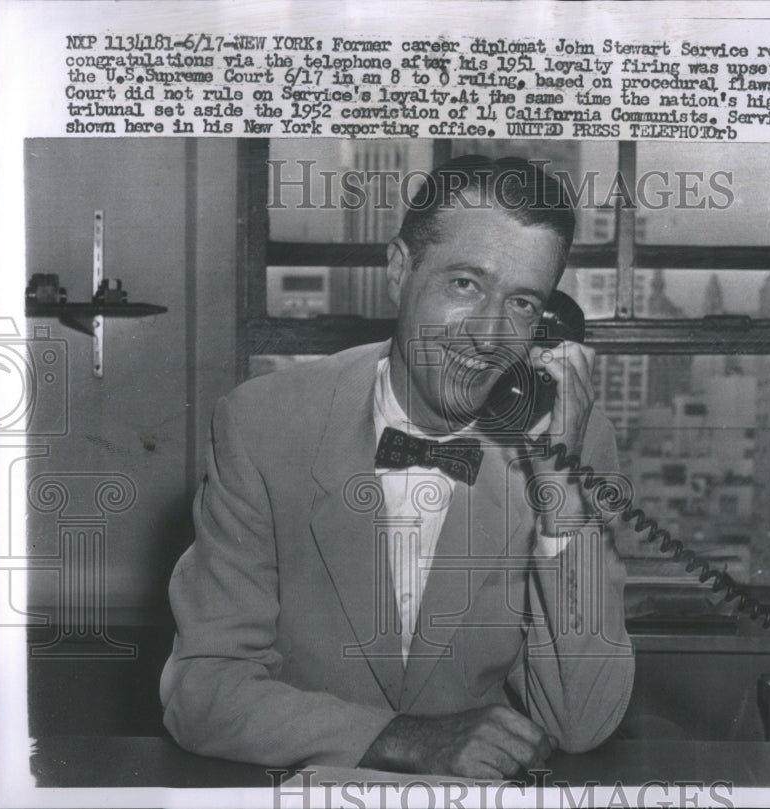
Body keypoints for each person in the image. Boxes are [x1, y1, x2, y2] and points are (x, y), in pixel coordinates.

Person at [160, 155, 634, 779]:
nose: (490, 337)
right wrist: (403, 739)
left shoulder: (567, 441)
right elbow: (201, 692)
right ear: (399, 270)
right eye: (465, 284)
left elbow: (582, 721)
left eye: (522, 303)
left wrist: (559, 499)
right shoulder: (264, 424)